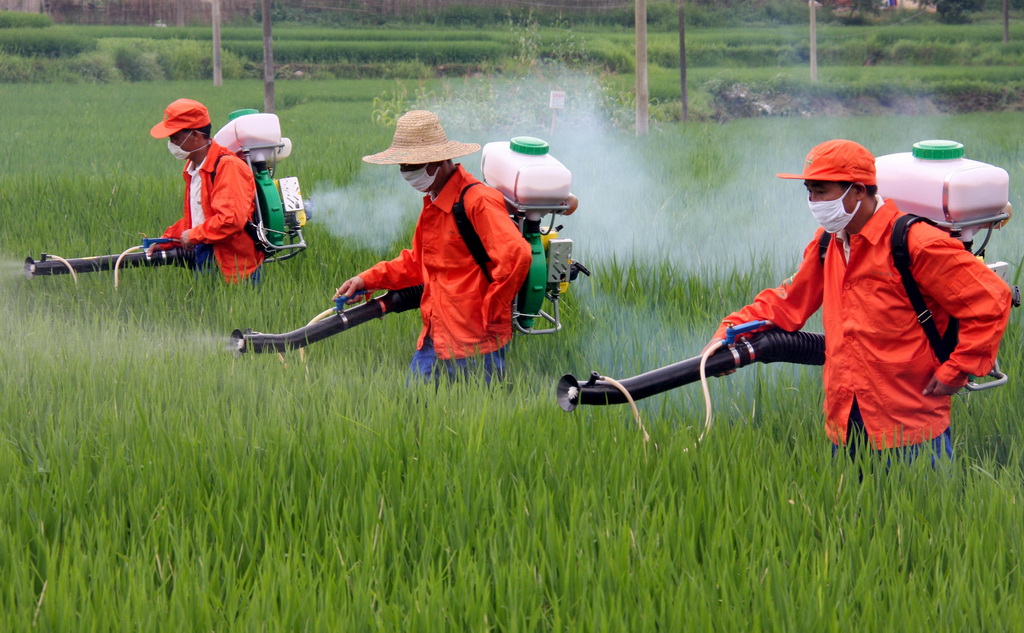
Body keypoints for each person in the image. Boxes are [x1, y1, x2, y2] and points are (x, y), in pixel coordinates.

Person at [707, 139, 1011, 463]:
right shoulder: (829, 243)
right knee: (853, 512)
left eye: (822, 191)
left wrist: (960, 368)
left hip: (910, 424)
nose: (813, 201)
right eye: (809, 191)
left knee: (919, 510)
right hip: (845, 416)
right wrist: (729, 330)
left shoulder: (914, 243)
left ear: (858, 190)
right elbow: (787, 302)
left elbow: (992, 299)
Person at [334, 110, 532, 384]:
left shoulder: (478, 202)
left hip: (477, 341)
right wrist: (367, 280)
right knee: (415, 409)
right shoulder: (435, 203)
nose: (405, 173)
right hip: (436, 333)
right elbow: (418, 262)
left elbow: (517, 255)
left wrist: (493, 312)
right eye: (402, 165)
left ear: (437, 161)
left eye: (410, 165)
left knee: (475, 416)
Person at [148, 98, 263, 283]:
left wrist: (193, 235)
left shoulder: (227, 167)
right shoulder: (194, 168)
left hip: (234, 267)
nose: (171, 143)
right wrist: (166, 241)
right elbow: (198, 218)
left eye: (175, 137)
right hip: (206, 254)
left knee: (236, 311)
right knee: (207, 309)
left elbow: (231, 220)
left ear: (195, 135)